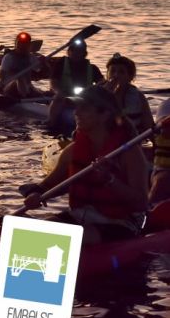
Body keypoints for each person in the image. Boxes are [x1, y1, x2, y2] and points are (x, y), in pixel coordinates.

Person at [19, 86, 148, 245]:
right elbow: (48, 185)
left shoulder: (129, 153)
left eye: (84, 108)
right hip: (79, 217)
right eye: (76, 107)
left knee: (60, 237)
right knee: (29, 232)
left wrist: (110, 180)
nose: (76, 113)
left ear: (104, 115)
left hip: (119, 223)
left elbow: (141, 203)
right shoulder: (72, 150)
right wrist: (35, 194)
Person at [48, 39, 104, 128]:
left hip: (83, 98)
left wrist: (97, 87)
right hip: (64, 97)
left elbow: (102, 83)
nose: (77, 53)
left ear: (84, 53)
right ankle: (51, 123)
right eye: (74, 50)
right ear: (69, 52)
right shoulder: (61, 64)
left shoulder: (93, 68)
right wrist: (58, 91)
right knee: (58, 98)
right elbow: (53, 81)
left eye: (80, 51)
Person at [101, 53, 153, 134]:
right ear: (107, 75)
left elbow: (149, 127)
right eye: (112, 71)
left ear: (130, 77)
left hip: (133, 141)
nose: (116, 75)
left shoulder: (138, 97)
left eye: (121, 72)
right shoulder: (98, 95)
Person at [0, 32, 47, 98]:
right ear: (16, 44)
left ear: (29, 45)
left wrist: (44, 63)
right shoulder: (9, 57)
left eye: (25, 44)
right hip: (10, 88)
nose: (22, 46)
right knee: (20, 78)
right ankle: (25, 97)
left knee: (49, 93)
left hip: (27, 87)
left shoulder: (31, 57)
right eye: (20, 43)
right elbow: (1, 76)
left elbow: (42, 72)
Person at [150, 98, 170, 205]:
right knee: (164, 180)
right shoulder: (167, 105)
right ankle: (148, 211)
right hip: (165, 170)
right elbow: (165, 130)